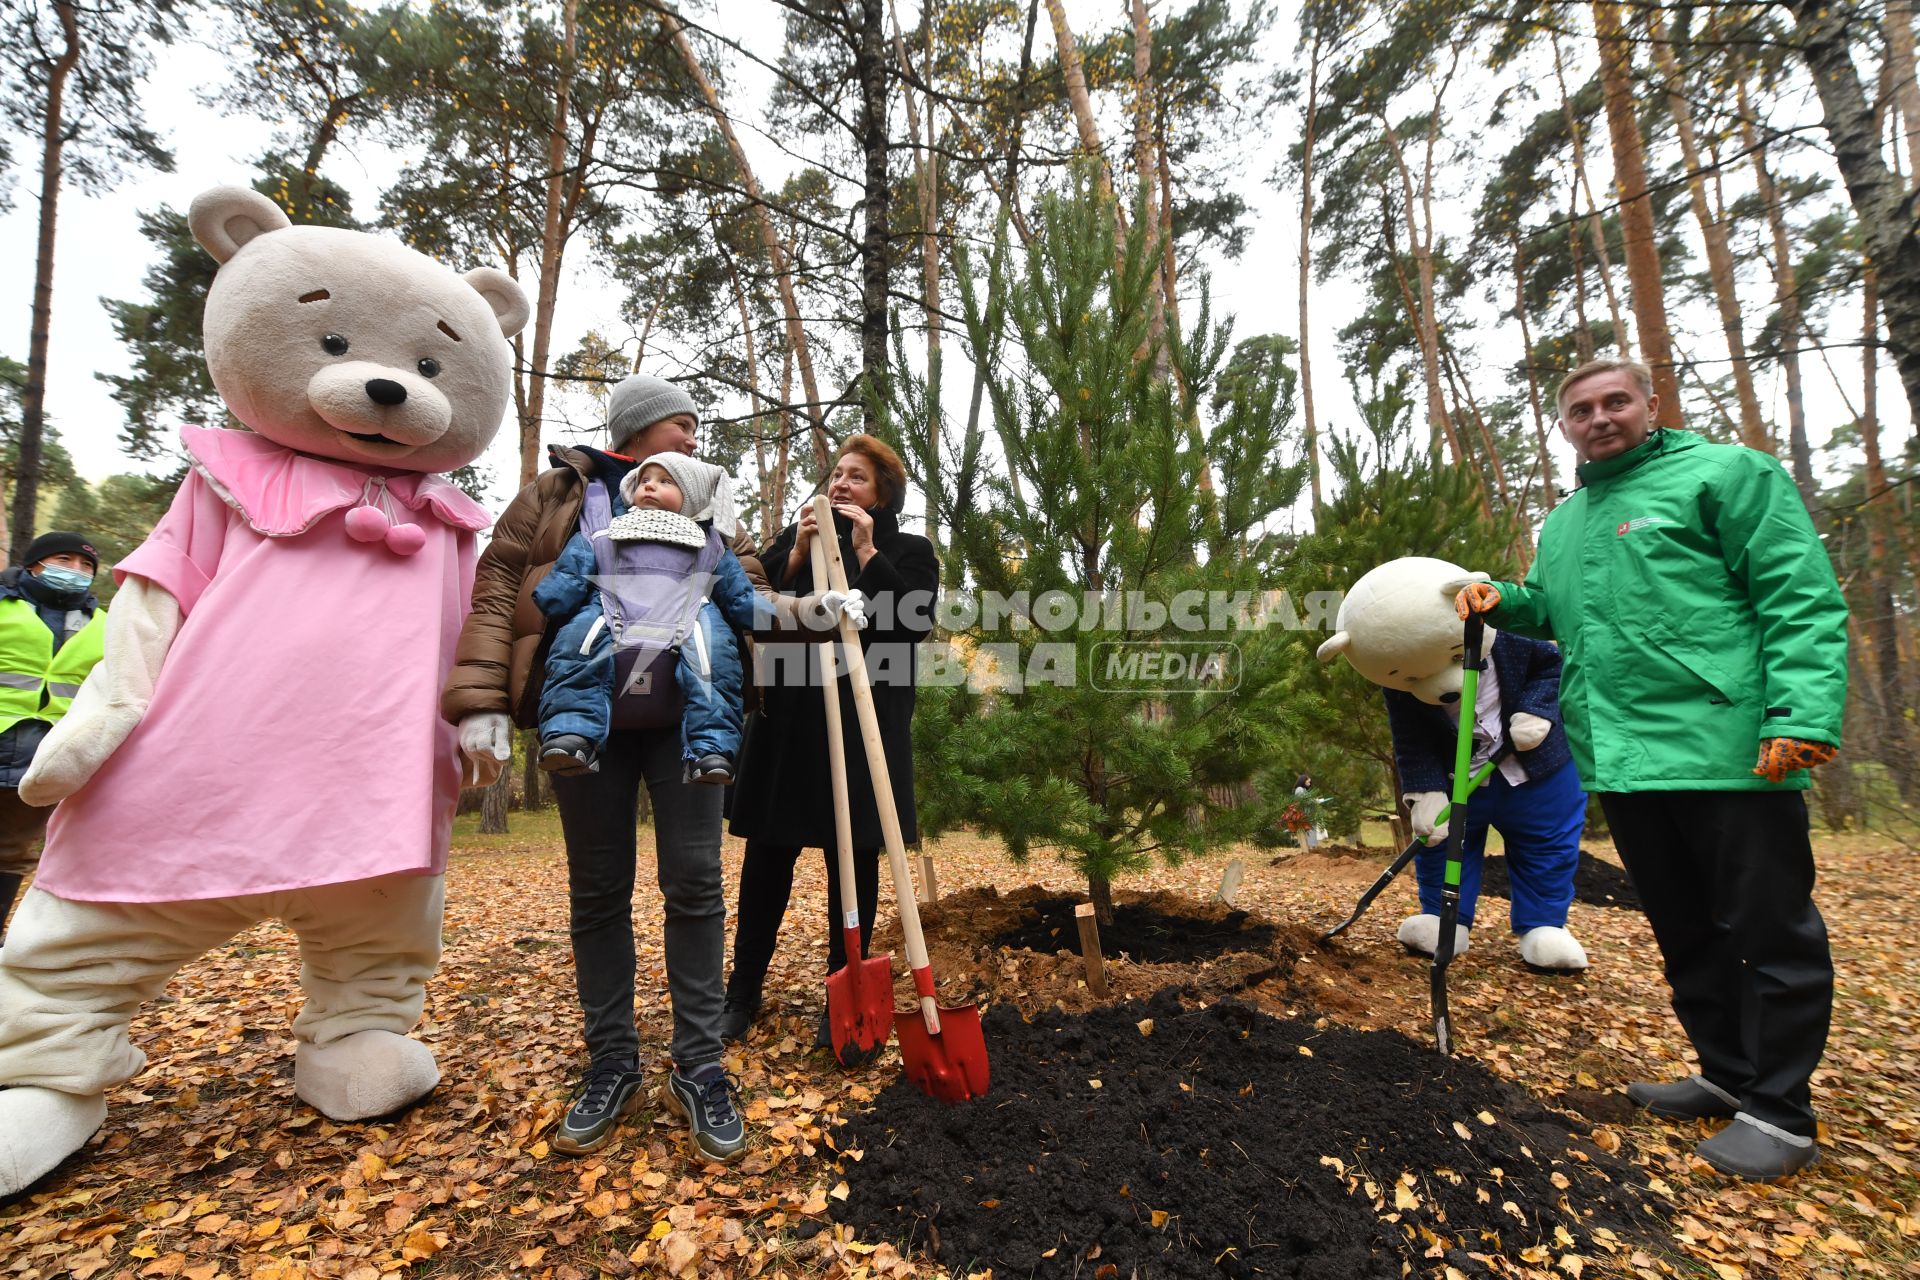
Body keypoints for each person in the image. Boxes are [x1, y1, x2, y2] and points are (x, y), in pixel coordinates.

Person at [442, 375, 855, 1160]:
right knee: (598, 891)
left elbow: (753, 595)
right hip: (580, 721)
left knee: (696, 885)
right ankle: (611, 1063)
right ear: (634, 436)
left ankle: (699, 1066)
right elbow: (499, 589)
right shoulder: (558, 497)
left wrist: (816, 610)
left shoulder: (702, 510)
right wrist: (480, 699)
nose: (696, 444)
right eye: (682, 428)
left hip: (689, 726)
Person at [1455, 356, 1847, 1180]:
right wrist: (1502, 595)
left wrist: (1802, 714)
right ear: (1563, 426)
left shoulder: (1728, 474)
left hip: (1733, 751)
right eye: (1580, 410)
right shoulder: (1565, 523)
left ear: (1649, 404)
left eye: (1615, 402)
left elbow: (1797, 594)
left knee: (1769, 930)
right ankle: (1728, 1074)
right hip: (1626, 760)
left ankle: (1780, 1113)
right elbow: (1555, 608)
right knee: (1684, 927)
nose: (1599, 418)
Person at [721, 434, 938, 1050]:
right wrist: (794, 556)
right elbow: (753, 609)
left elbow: (913, 621)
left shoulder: (909, 550)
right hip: (791, 720)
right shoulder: (795, 545)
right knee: (768, 857)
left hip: (865, 719)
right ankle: (742, 990)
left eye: (857, 478)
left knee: (855, 859)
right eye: (837, 474)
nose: (841, 484)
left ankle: (842, 983)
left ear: (883, 494)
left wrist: (869, 553)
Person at [533, 453, 763, 785]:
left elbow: (737, 591)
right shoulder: (605, 529)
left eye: (665, 481)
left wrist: (762, 615)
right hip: (610, 609)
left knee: (715, 659)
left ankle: (711, 749)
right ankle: (571, 733)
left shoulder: (710, 542)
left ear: (693, 496)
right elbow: (577, 561)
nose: (650, 486)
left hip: (688, 615)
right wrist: (555, 596)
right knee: (576, 645)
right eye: (644, 480)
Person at [0, 533, 107, 938]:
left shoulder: (104, 624)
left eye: (86, 567)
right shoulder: (3, 605)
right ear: (34, 564)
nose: (76, 572)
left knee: (10, 853)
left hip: (44, 758)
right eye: (65, 560)